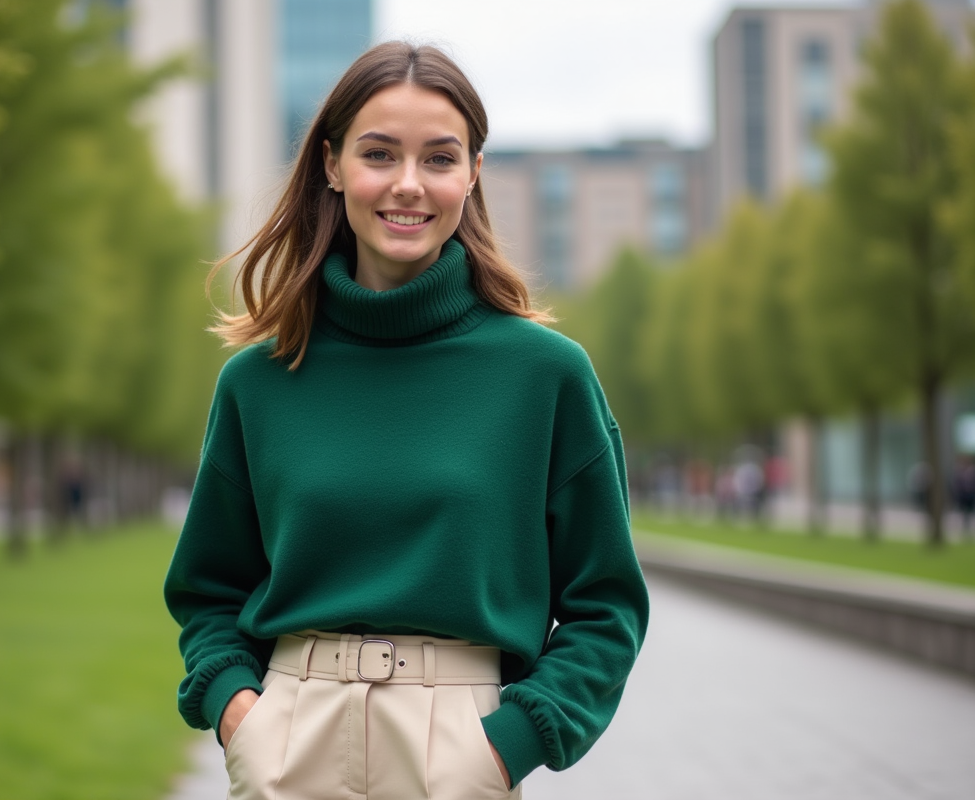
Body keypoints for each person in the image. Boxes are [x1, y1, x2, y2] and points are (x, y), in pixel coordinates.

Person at [164, 41, 649, 800]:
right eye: (379, 154)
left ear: (473, 174)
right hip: (287, 738)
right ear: (332, 165)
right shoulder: (257, 382)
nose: (409, 184)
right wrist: (238, 713)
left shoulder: (546, 375)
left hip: (463, 748)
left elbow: (607, 605)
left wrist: (510, 745)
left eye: (440, 158)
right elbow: (208, 588)